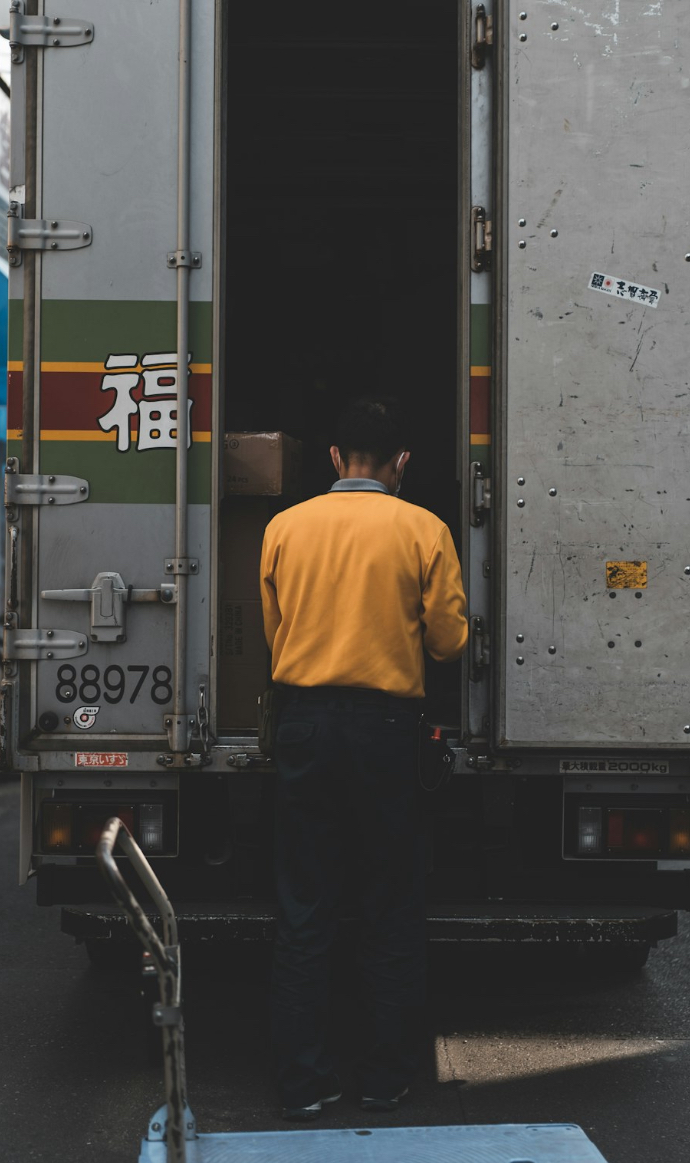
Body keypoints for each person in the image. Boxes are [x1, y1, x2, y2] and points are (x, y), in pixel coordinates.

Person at [260, 397, 468, 1121]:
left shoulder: (285, 527)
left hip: (304, 724)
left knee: (304, 907)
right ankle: (383, 1077)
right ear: (401, 462)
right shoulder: (425, 529)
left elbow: (276, 634)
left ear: (333, 458)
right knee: (389, 905)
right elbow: (448, 643)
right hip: (386, 730)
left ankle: (303, 1081)